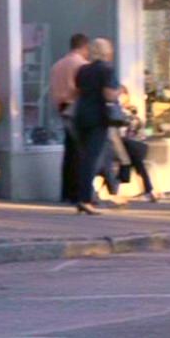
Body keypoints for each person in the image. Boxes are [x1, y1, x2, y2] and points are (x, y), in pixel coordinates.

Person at [73, 38, 120, 216]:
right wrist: (119, 92)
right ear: (107, 52)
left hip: (81, 115)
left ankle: (82, 196)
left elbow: (78, 90)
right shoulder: (107, 69)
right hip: (98, 118)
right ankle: (85, 199)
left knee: (84, 157)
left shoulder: (83, 70)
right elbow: (109, 95)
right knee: (92, 159)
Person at [50, 34, 90, 204]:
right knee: (79, 151)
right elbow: (83, 89)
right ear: (84, 47)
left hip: (62, 107)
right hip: (76, 108)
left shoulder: (57, 65)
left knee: (69, 151)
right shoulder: (82, 66)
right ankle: (77, 192)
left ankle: (66, 192)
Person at [120, 86, 158, 202]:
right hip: (129, 149)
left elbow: (128, 132)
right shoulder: (115, 111)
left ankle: (122, 177)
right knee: (135, 160)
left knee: (129, 151)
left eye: (121, 95)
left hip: (135, 145)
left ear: (126, 96)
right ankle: (148, 190)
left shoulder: (130, 112)